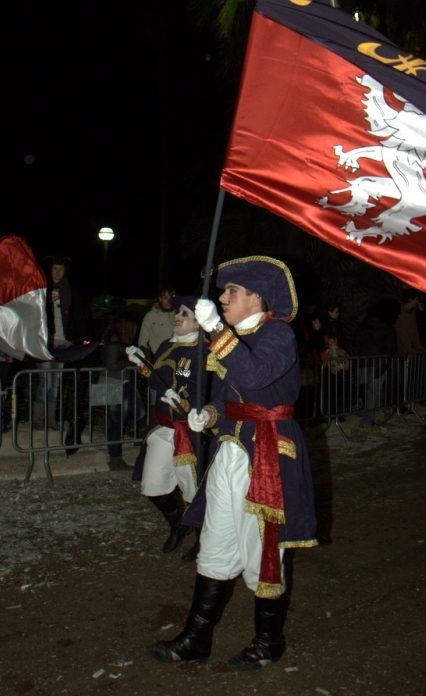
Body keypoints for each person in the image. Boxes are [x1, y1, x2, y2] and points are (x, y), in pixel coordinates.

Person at [144, 256, 317, 671]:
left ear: (257, 298)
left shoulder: (279, 334)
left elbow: (256, 375)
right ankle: (196, 638)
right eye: (224, 291)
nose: (222, 298)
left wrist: (218, 332)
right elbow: (229, 392)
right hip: (230, 450)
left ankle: (267, 640)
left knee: (262, 548)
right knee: (217, 540)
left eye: (231, 291)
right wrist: (211, 413)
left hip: (268, 453)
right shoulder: (234, 335)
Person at [127, 296, 212, 560]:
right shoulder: (166, 344)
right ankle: (177, 524)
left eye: (185, 314)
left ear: (199, 323)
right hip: (163, 427)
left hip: (190, 432)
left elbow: (210, 390)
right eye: (178, 312)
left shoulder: (207, 351)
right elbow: (157, 379)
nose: (178, 316)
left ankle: (202, 540)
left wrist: (186, 402)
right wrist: (142, 362)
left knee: (193, 490)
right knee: (152, 485)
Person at [33, 255, 88, 430]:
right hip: (45, 342)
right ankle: (37, 420)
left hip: (63, 343)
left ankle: (51, 420)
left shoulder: (70, 290)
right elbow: (32, 314)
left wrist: (73, 339)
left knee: (55, 383)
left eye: (61, 269)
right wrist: (45, 302)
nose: (57, 272)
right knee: (45, 381)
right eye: (55, 268)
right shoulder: (40, 289)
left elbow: (77, 316)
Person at [100, 309, 146, 471]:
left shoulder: (119, 340)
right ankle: (115, 458)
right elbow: (111, 364)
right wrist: (130, 364)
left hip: (120, 382)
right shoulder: (114, 340)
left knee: (136, 412)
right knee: (116, 422)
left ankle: (114, 449)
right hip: (112, 383)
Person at [354, 298, 400, 432]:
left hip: (363, 362)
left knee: (367, 392)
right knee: (374, 392)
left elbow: (356, 341)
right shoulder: (388, 328)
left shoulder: (364, 324)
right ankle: (368, 420)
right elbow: (392, 348)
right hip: (379, 365)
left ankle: (370, 418)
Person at [138, 287, 176, 360]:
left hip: (175, 358)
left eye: (171, 298)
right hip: (158, 359)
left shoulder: (178, 316)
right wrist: (147, 359)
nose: (168, 301)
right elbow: (142, 341)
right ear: (160, 299)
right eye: (165, 297)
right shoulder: (151, 316)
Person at [395, 288, 425, 356]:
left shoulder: (411, 313)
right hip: (400, 352)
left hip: (406, 351)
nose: (417, 302)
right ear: (410, 300)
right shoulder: (399, 312)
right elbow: (401, 333)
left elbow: (414, 331)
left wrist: (418, 347)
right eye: (416, 299)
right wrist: (411, 349)